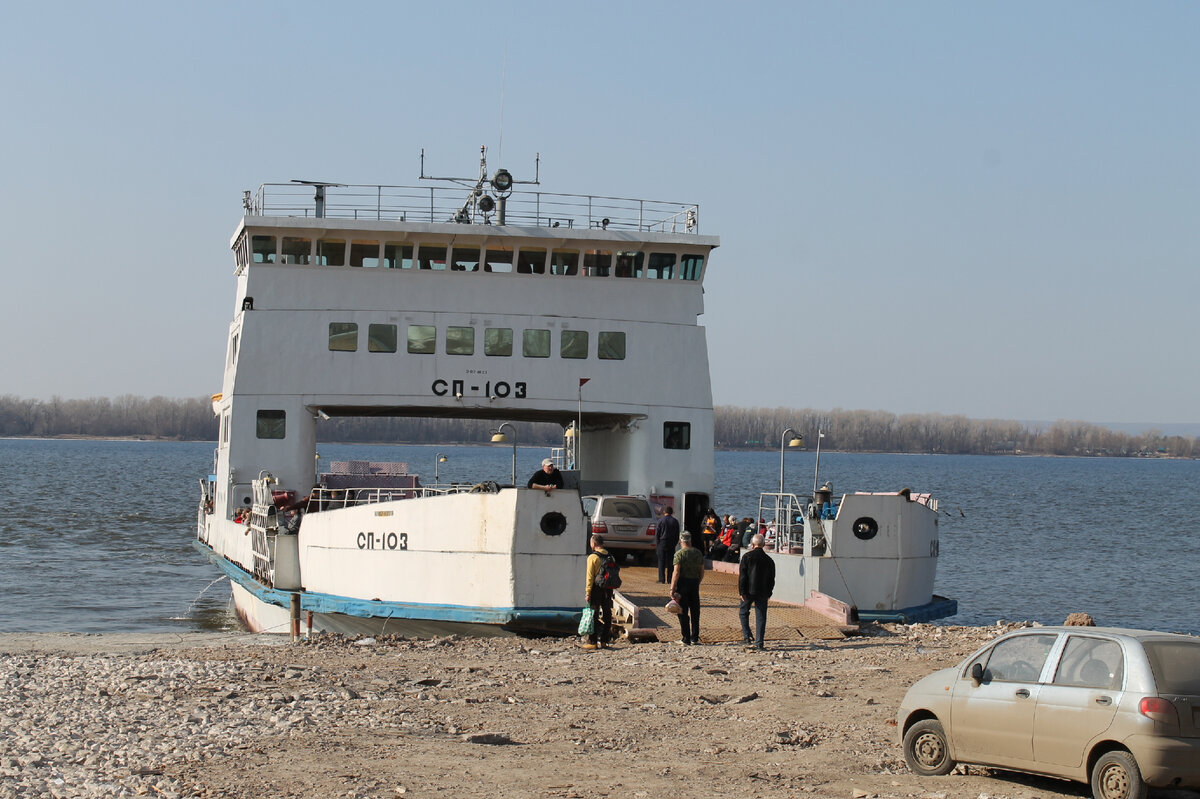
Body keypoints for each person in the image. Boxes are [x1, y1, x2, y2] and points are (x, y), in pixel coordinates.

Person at [739, 533, 776, 650]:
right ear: (764, 544)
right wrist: (769, 592)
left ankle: (747, 636)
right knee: (761, 617)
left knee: (743, 612)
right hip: (763, 591)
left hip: (749, 591)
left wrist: (742, 592)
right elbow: (772, 578)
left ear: (752, 544)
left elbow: (743, 577)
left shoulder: (746, 557)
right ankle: (759, 643)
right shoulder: (769, 560)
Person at [670, 532, 705, 645]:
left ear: (681, 541)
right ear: (690, 540)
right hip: (694, 583)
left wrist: (672, 588)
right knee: (695, 611)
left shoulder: (679, 554)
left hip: (683, 583)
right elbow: (702, 571)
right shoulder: (698, 553)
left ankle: (686, 638)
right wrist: (697, 581)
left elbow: (676, 572)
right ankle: (695, 637)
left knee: (682, 611)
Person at [583, 534, 614, 650]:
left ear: (594, 544)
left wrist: (588, 592)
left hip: (596, 589)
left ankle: (593, 641)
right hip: (608, 589)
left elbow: (590, 577)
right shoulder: (611, 556)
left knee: (593, 615)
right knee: (607, 614)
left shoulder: (593, 557)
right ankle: (605, 641)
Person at [655, 506, 681, 583]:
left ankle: (661, 579)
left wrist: (658, 544)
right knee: (670, 562)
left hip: (662, 542)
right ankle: (670, 579)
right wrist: (675, 543)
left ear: (664, 512)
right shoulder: (675, 521)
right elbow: (677, 534)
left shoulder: (660, 520)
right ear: (672, 512)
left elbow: (657, 534)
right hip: (671, 542)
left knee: (661, 561)